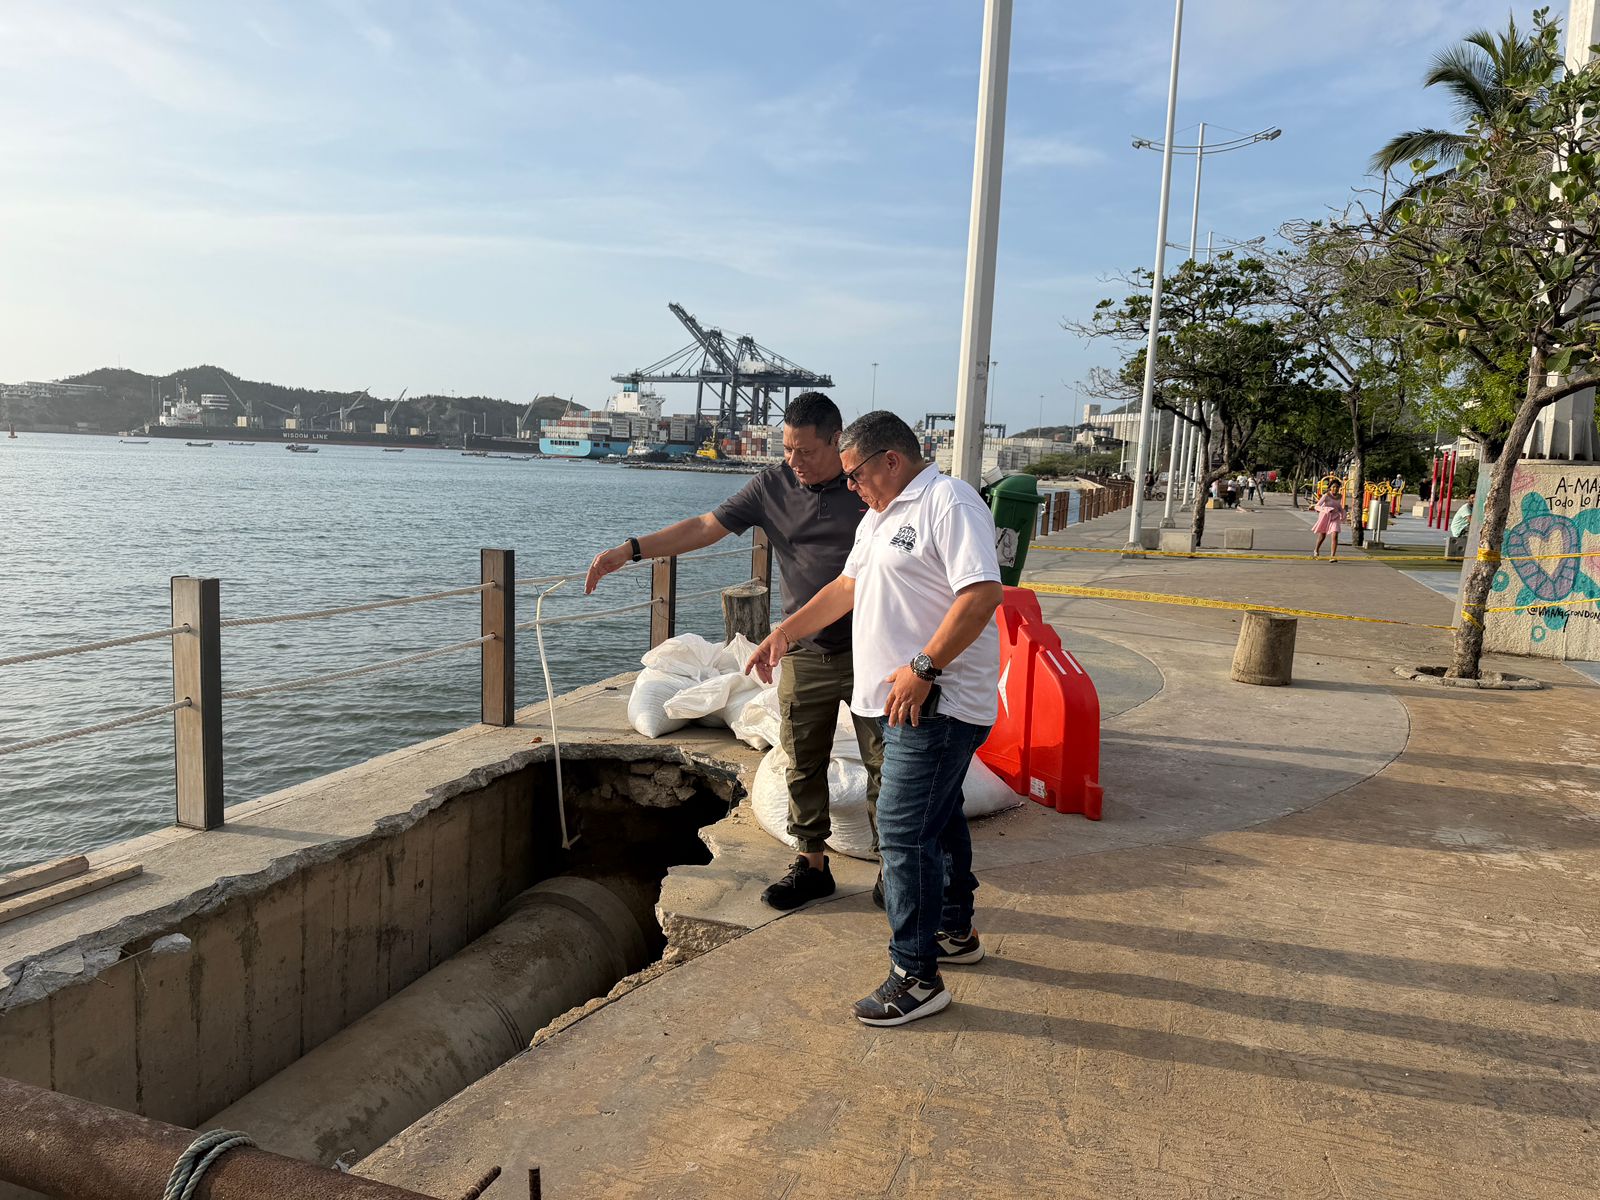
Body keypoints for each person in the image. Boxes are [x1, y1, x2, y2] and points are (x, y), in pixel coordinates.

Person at [746, 411, 1004, 1027]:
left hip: (936, 702)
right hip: (899, 700)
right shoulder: (880, 516)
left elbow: (981, 593)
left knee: (902, 828)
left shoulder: (949, 502)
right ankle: (952, 930)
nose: (850, 485)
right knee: (936, 820)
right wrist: (783, 632)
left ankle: (915, 976)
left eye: (856, 473)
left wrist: (924, 665)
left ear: (891, 459)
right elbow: (845, 589)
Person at [585, 392, 886, 912]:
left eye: (806, 452)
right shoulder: (774, 484)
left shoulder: (870, 487)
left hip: (875, 650)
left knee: (886, 767)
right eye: (787, 449)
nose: (793, 461)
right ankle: (813, 867)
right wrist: (630, 550)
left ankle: (893, 872)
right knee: (801, 762)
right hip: (804, 651)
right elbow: (705, 526)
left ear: (838, 442)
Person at [1312, 480, 1346, 560]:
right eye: (1333, 487)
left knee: (1335, 535)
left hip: (1335, 517)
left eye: (1337, 487)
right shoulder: (1326, 495)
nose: (1335, 489)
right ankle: (1316, 550)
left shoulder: (1340, 496)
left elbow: (1339, 506)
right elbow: (1316, 506)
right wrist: (1326, 509)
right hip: (1325, 517)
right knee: (1322, 535)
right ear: (1330, 488)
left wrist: (1343, 512)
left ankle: (1332, 556)